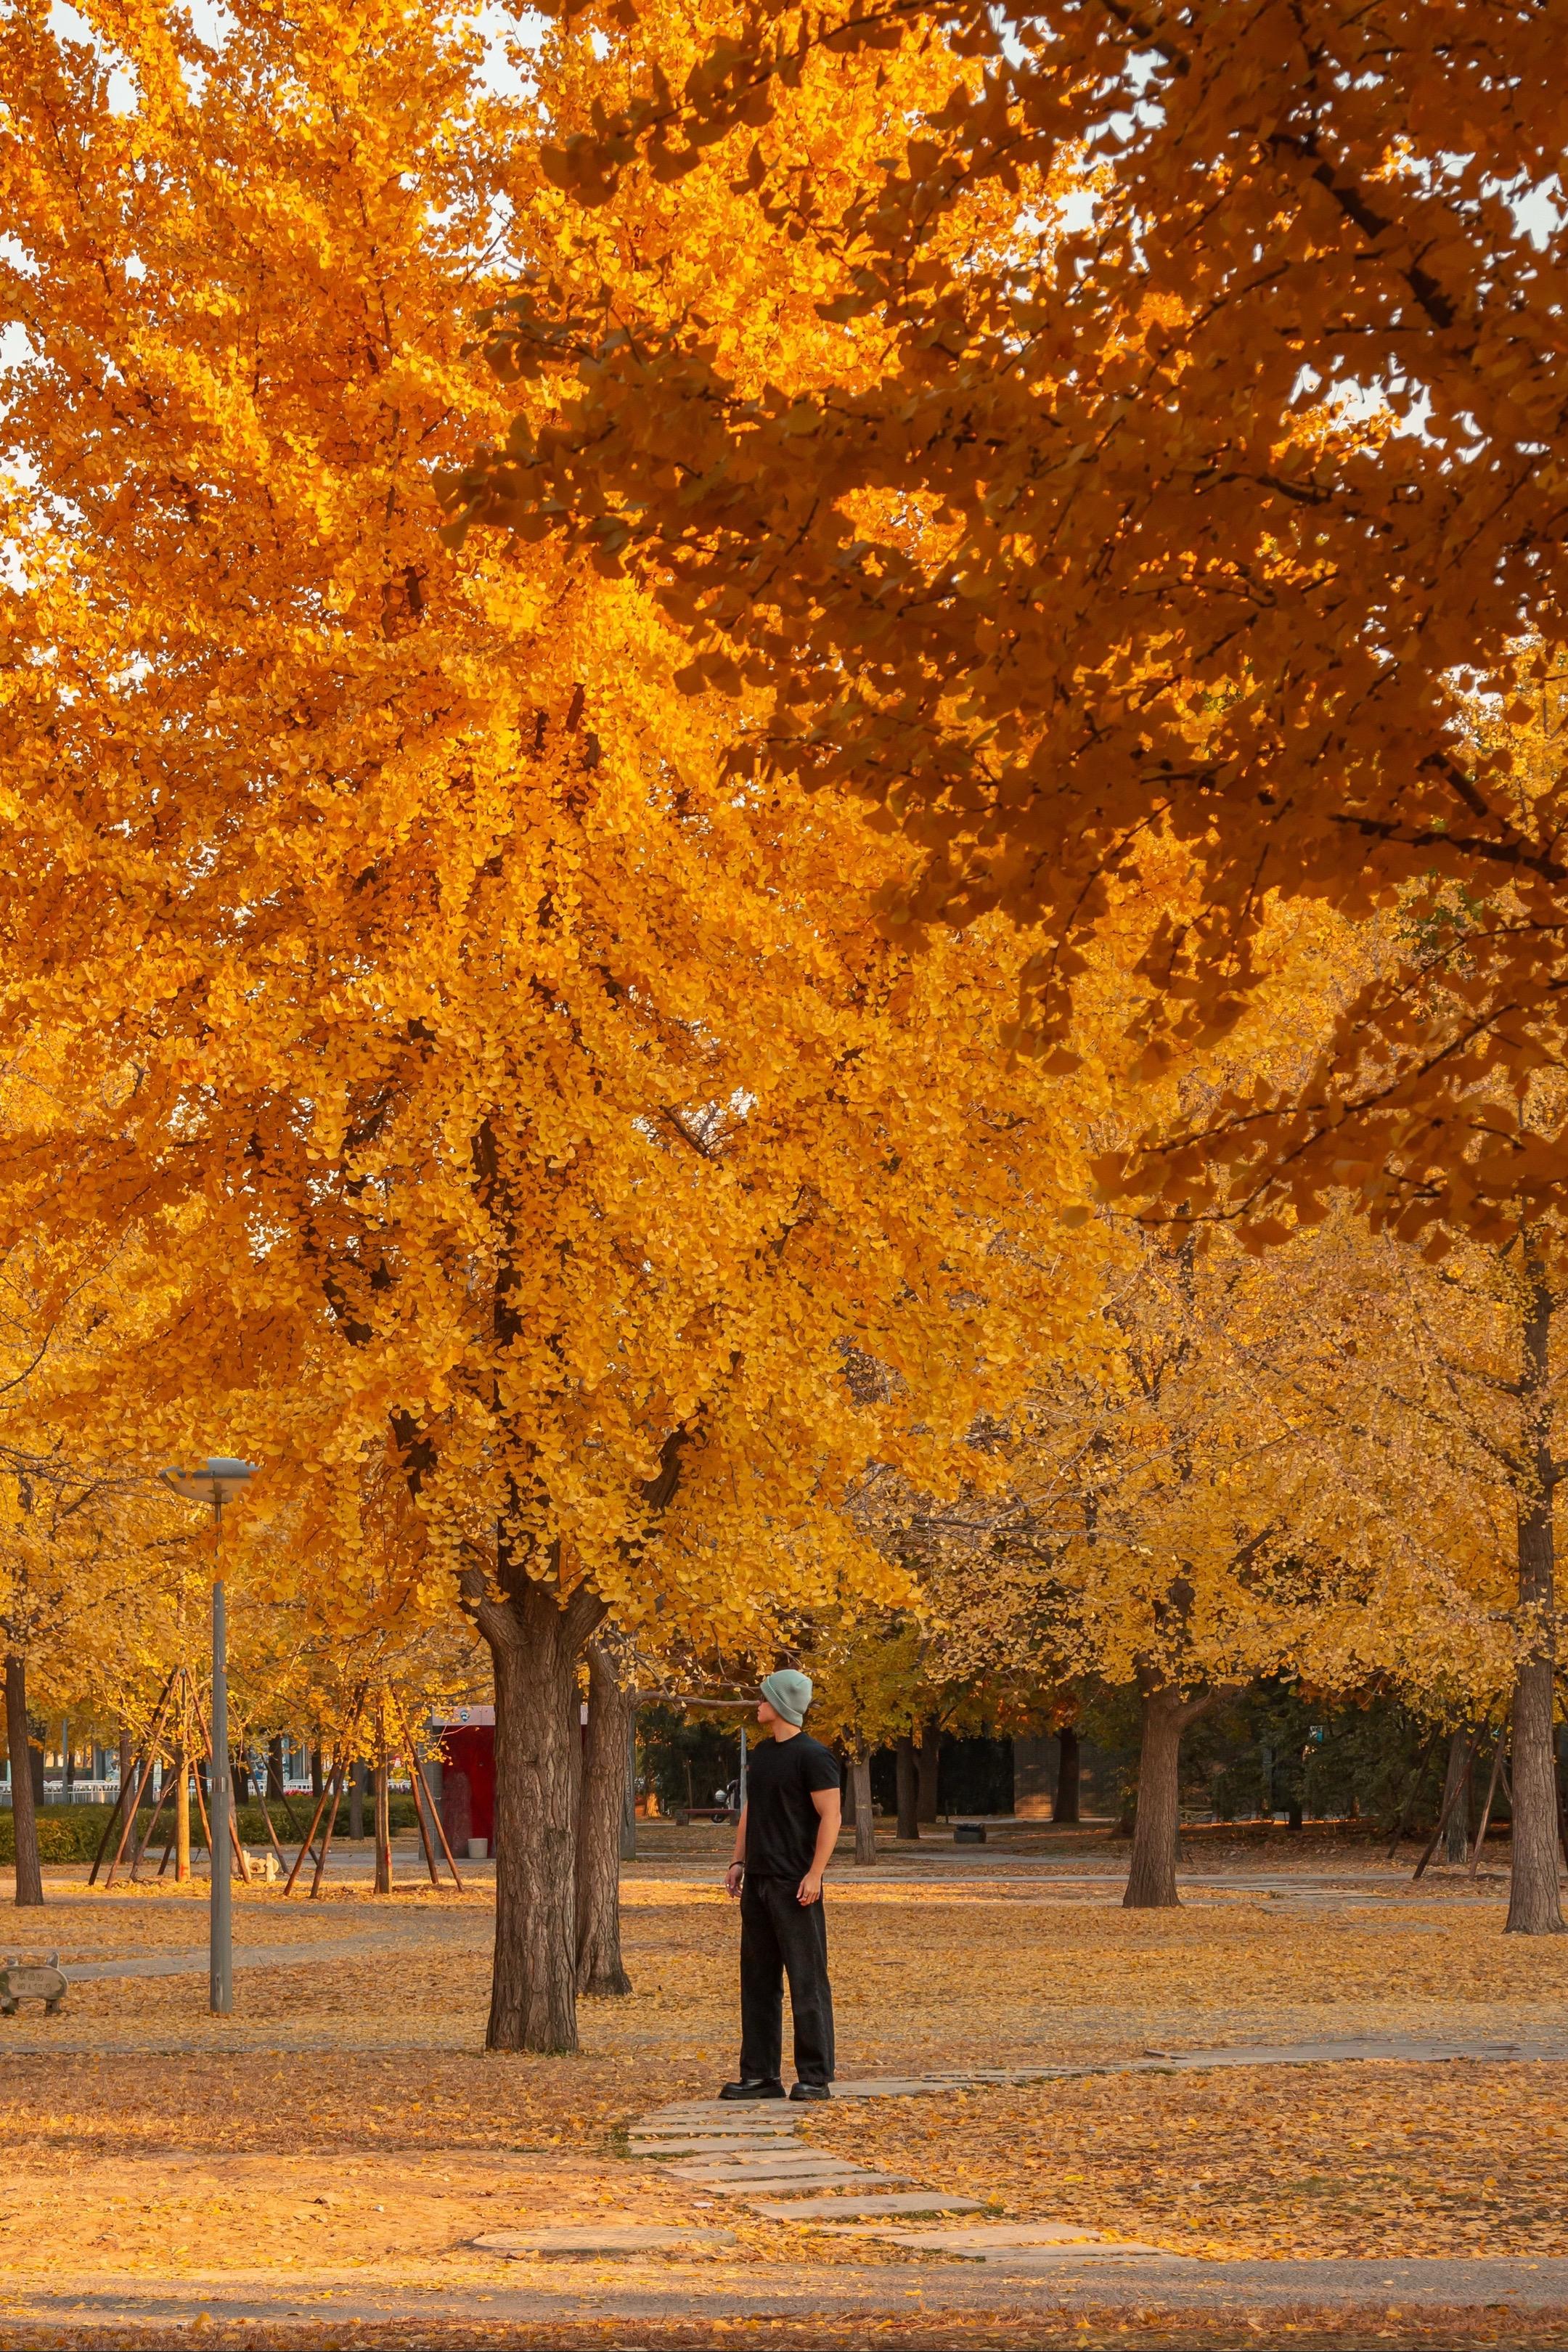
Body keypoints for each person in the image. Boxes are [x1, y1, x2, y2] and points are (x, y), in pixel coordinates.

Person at [720, 1667, 842, 2102]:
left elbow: (832, 1816)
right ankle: (760, 2076)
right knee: (757, 1981)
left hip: (795, 1884)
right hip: (758, 1882)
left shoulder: (814, 1756)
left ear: (781, 1704)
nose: (757, 1704)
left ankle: (815, 2077)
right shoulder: (762, 1754)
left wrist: (815, 1873)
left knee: (807, 1980)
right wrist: (739, 1860)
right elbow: (752, 1810)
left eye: (763, 1698)